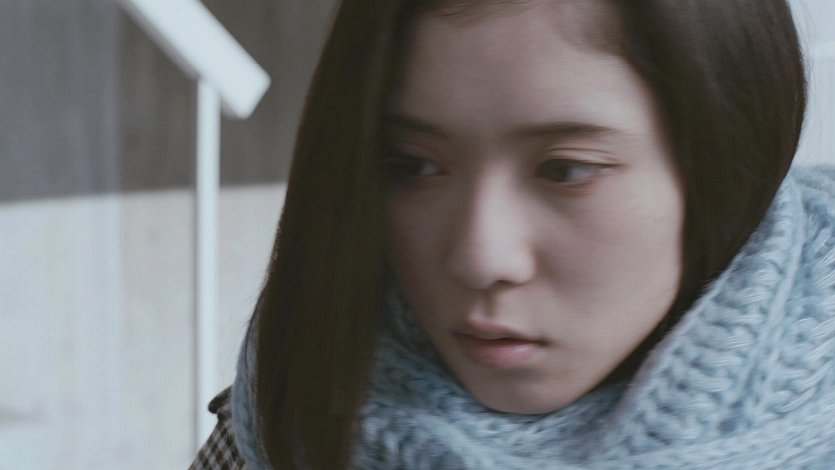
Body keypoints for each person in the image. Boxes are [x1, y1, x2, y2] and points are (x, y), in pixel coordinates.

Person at [191, 0, 835, 468]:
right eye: (412, 166)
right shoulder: (288, 416)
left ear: (727, 164)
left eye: (566, 170)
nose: (480, 258)